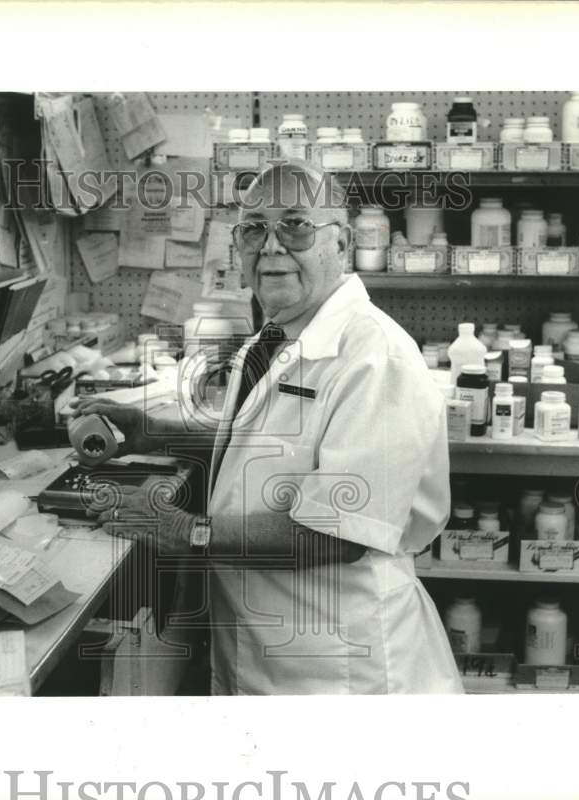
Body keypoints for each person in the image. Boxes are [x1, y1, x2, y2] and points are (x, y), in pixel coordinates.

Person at [73, 160, 462, 695]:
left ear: (342, 242)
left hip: (340, 665)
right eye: (254, 228)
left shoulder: (375, 356)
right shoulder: (275, 337)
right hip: (268, 647)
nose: (272, 246)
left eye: (297, 225)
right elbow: (257, 446)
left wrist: (186, 531)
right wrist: (150, 431)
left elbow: (338, 532)